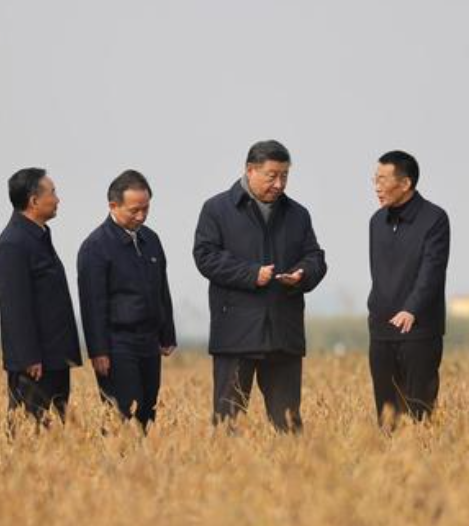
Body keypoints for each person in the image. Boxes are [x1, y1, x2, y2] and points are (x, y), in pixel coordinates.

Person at [193, 140, 327, 432]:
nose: (279, 184)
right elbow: (205, 257)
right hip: (236, 334)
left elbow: (315, 257)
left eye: (284, 176)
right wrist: (251, 274)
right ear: (250, 170)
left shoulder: (298, 214)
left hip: (284, 333)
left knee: (289, 425)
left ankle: (293, 464)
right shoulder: (217, 209)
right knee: (227, 423)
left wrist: (302, 274)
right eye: (272, 176)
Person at [77, 170, 177, 430]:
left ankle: (143, 456)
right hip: (117, 344)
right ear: (113, 206)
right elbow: (92, 304)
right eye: (134, 210)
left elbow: (162, 289)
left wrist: (167, 334)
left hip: (149, 342)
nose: (141, 216)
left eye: (146, 208)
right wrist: (98, 351)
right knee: (122, 414)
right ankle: (117, 456)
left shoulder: (151, 240)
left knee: (147, 411)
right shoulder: (95, 246)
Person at [0, 168, 82, 425]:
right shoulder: (12, 245)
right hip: (35, 364)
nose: (58, 199)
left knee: (55, 434)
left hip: (54, 357)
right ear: (33, 201)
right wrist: (28, 357)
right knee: (30, 432)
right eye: (52, 193)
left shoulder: (38, 236)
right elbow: (15, 308)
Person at [368, 150, 450, 427]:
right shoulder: (376, 221)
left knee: (419, 415)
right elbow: (379, 274)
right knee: (386, 417)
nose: (377, 186)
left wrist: (411, 309)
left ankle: (422, 454)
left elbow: (432, 271)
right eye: (375, 179)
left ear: (405, 184)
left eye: (383, 179)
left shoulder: (434, 219)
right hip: (381, 331)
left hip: (419, 332)